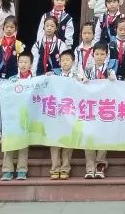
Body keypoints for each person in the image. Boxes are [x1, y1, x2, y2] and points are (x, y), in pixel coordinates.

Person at [77, 41, 114, 179]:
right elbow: (79, 86)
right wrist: (82, 81)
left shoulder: (110, 71)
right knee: (89, 137)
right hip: (90, 109)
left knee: (103, 137)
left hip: (104, 109)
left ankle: (100, 165)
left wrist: (112, 80)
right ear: (92, 55)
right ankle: (90, 167)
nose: (99, 57)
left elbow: (115, 88)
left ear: (106, 55)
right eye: (97, 54)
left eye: (102, 54)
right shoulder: (86, 71)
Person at [0, 51, 32, 181]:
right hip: (10, 115)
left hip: (26, 116)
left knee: (23, 143)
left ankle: (22, 169)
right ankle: (7, 170)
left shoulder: (35, 80)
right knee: (8, 141)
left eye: (26, 62)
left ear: (31, 64)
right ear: (17, 64)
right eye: (20, 62)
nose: (23, 65)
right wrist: (6, 86)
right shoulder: (10, 80)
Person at [0, 15, 24, 146]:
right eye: (7, 27)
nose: (9, 29)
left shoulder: (19, 45)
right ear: (3, 28)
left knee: (9, 106)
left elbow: (22, 63)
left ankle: (7, 133)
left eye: (12, 27)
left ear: (16, 29)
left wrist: (19, 77)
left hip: (12, 79)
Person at [48, 50, 76, 179]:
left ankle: (65, 168)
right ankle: (55, 167)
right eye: (62, 60)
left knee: (67, 141)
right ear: (59, 62)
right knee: (54, 141)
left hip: (70, 113)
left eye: (68, 60)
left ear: (73, 62)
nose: (65, 62)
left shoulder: (77, 76)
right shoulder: (53, 76)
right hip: (56, 113)